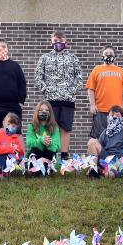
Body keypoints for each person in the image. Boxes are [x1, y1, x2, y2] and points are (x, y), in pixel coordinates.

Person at [34, 31, 83, 159]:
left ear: (66, 42)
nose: (58, 43)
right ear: (51, 42)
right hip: (51, 100)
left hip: (68, 99)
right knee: (51, 127)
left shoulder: (73, 58)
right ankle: (51, 155)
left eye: (60, 40)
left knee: (66, 128)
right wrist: (46, 90)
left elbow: (79, 78)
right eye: (55, 40)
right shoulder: (44, 58)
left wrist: (72, 90)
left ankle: (64, 157)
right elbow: (38, 76)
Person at [85, 45, 123, 151]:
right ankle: (99, 163)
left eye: (111, 54)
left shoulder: (121, 71)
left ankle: (114, 160)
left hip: (116, 112)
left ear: (115, 56)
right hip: (100, 110)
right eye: (106, 54)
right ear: (102, 56)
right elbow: (90, 89)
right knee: (99, 138)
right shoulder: (96, 70)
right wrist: (92, 105)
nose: (108, 56)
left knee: (116, 137)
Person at [88, 104, 123, 173]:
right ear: (108, 117)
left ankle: (104, 171)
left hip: (118, 162)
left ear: (122, 118)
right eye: (112, 115)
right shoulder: (104, 133)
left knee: (109, 174)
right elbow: (98, 150)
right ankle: (93, 169)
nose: (114, 117)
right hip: (106, 160)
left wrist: (119, 163)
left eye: (117, 116)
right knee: (92, 141)